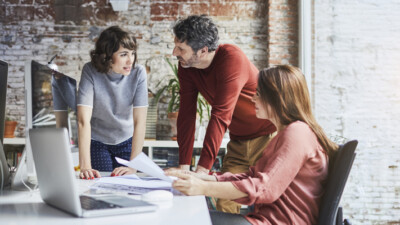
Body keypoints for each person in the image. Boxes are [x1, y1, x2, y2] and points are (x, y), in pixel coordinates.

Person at [166, 65, 338, 225]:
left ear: (276, 98)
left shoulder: (297, 133)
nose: (253, 98)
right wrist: (200, 177)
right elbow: (251, 177)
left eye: (259, 93)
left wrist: (203, 188)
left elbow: (264, 189)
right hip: (266, 220)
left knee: (186, 219)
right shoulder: (286, 134)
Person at [169, 15, 276, 213]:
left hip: (268, 139)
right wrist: (184, 167)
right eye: (176, 46)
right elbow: (186, 114)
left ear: (203, 51)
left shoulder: (230, 58)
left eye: (181, 48)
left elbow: (220, 115)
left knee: (269, 202)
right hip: (238, 143)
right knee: (225, 204)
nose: (175, 52)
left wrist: (201, 172)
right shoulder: (187, 67)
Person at [77, 26, 148, 180]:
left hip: (127, 140)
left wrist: (133, 165)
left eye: (133, 54)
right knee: (100, 184)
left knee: (128, 184)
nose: (131, 60)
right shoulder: (90, 71)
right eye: (124, 54)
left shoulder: (139, 73)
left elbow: (140, 121)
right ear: (107, 56)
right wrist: (85, 167)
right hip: (98, 142)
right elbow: (83, 120)